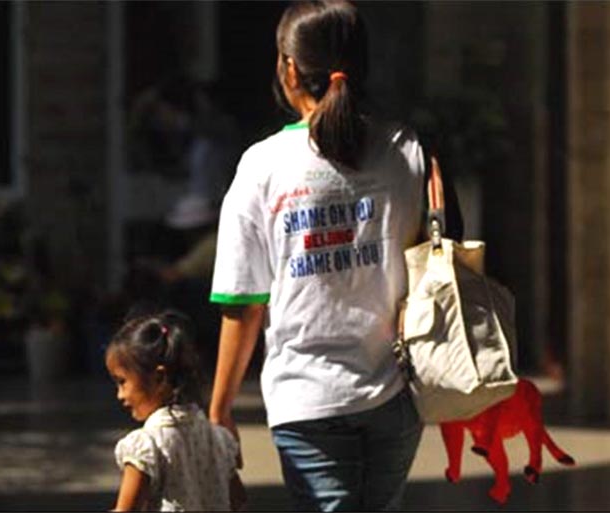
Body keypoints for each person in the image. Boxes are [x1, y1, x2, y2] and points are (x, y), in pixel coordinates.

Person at [207, 1, 462, 511]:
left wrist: (220, 408)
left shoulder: (262, 167)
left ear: (289, 69)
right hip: (395, 393)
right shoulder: (407, 149)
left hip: (306, 401)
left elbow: (243, 302)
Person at [106, 309, 246, 511]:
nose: (120, 395)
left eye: (122, 382)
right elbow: (238, 500)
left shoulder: (147, 445)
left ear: (158, 377)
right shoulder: (219, 440)